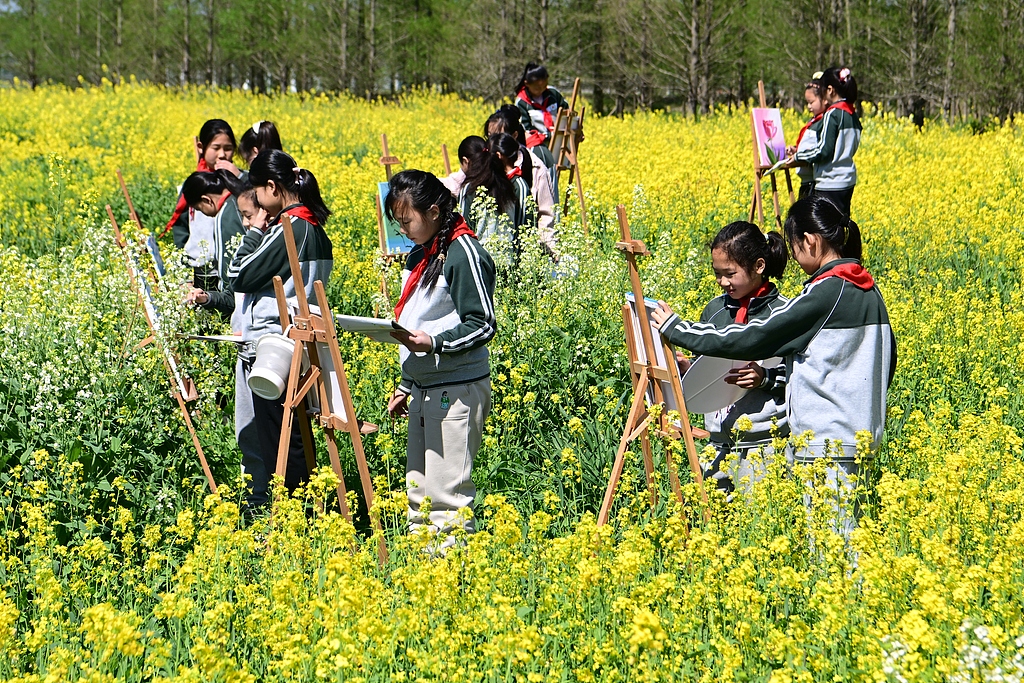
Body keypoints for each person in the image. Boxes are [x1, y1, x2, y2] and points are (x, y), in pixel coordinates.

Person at [652, 196, 896, 534]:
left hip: (826, 438)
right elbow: (888, 361)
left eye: (795, 248)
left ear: (810, 241)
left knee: (833, 544)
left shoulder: (827, 292)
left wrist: (677, 329)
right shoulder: (867, 289)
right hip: (857, 433)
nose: (794, 258)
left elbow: (755, 337)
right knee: (843, 536)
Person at [383, 169, 496, 552]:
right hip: (426, 386)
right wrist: (407, 381)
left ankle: (451, 574)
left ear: (433, 212)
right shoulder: (424, 251)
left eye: (407, 221)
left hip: (457, 386)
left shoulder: (464, 252)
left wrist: (433, 344)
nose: (403, 230)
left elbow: (482, 325)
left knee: (447, 494)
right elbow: (420, 321)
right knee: (418, 489)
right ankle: (420, 565)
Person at [227, 149, 334, 510]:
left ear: (272, 186)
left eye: (257, 191)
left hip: (274, 348)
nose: (256, 201)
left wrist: (255, 231)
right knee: (297, 437)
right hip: (301, 343)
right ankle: (305, 510)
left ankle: (290, 514)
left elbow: (238, 275)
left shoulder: (290, 227)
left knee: (279, 440)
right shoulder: (315, 227)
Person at [683, 221, 790, 495]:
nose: (722, 282)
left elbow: (801, 374)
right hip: (717, 442)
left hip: (764, 443)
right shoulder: (714, 311)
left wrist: (764, 378)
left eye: (730, 273)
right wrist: (688, 369)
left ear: (759, 266)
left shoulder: (785, 313)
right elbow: (706, 364)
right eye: (717, 274)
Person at [485, 106, 558, 258]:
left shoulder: (534, 167)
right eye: (490, 136)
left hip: (524, 250)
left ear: (514, 135)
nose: (493, 143)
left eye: (499, 136)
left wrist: (549, 250)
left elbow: (546, 214)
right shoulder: (483, 162)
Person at [179, 169, 248, 328]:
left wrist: (221, 301)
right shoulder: (238, 200)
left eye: (199, 208)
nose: (204, 214)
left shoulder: (224, 216)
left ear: (206, 200)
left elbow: (228, 272)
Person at [790, 67, 861, 216]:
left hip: (830, 181)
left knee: (825, 229)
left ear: (830, 90)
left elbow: (824, 150)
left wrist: (798, 156)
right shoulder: (852, 114)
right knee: (841, 223)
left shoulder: (832, 114)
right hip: (847, 179)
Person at [162, 119, 238, 248]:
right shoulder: (195, 183)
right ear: (201, 148)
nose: (222, 155)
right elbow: (181, 224)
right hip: (197, 262)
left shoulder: (240, 180)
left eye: (228, 148)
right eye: (216, 148)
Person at [455, 135, 521, 257]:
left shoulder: (470, 189)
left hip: (481, 261)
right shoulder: (507, 185)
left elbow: (463, 229)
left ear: (465, 161)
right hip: (508, 260)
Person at [513, 63, 567, 176]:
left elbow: (566, 111)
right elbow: (526, 129)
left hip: (559, 142)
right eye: (537, 88)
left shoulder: (553, 94)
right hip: (538, 147)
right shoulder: (521, 102)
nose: (541, 90)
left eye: (544, 86)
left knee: (556, 174)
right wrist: (548, 134)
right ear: (527, 83)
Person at [786, 72, 827, 199]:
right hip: (806, 181)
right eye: (807, 102)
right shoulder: (813, 122)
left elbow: (820, 149)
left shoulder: (823, 123)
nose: (809, 106)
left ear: (824, 99)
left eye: (811, 102)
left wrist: (799, 156)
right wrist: (796, 150)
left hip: (814, 182)